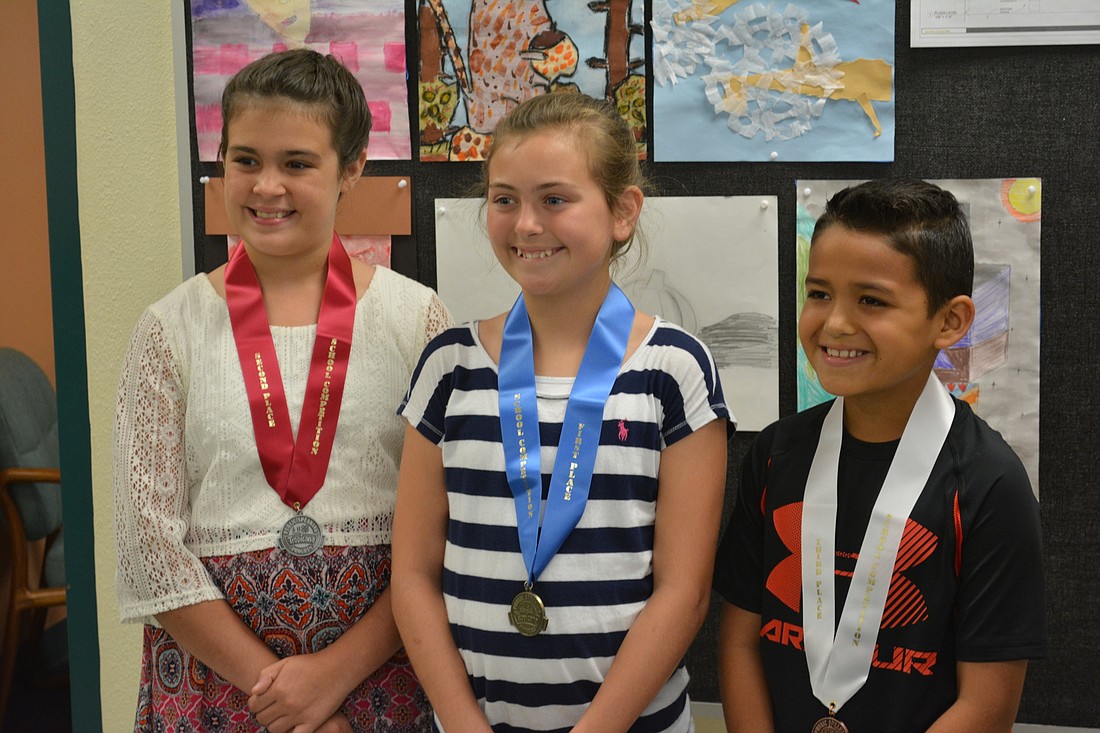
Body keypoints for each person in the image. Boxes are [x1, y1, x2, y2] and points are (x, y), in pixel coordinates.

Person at [113, 49, 451, 733]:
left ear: (351, 167)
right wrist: (279, 695)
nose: (267, 186)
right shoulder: (167, 330)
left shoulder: (417, 321)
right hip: (218, 679)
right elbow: (148, 546)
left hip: (375, 672)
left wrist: (330, 677)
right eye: (245, 160)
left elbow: (446, 528)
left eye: (297, 163)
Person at [392, 91, 731, 733]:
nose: (525, 225)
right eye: (504, 199)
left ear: (623, 211)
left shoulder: (674, 369)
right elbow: (411, 574)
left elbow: (683, 593)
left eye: (555, 199)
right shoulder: (449, 367)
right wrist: (462, 724)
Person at [713, 178, 1047, 733]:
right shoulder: (776, 453)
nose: (835, 322)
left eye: (871, 300)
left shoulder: (989, 483)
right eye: (818, 293)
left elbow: (987, 706)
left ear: (950, 321)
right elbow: (740, 643)